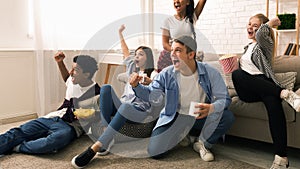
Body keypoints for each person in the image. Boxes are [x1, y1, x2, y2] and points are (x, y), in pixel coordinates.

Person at [130, 35, 235, 162]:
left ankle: (202, 143)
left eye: (178, 50)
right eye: (172, 50)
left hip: (198, 115)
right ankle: (182, 134)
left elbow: (224, 98)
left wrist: (212, 108)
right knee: (155, 152)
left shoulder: (210, 72)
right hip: (175, 116)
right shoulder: (166, 74)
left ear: (191, 54)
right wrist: (136, 86)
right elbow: (151, 95)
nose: (172, 54)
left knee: (227, 116)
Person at [71, 24, 158, 168]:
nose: (136, 56)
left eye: (141, 54)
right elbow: (125, 50)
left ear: (148, 58)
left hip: (139, 111)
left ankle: (97, 146)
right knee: (105, 88)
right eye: (135, 54)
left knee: (126, 106)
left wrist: (151, 82)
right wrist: (120, 33)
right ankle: (107, 131)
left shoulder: (153, 74)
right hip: (122, 105)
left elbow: (158, 93)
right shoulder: (131, 68)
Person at [232, 13, 300, 169]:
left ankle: (281, 158)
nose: (250, 27)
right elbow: (241, 74)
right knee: (237, 74)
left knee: (273, 104)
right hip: (248, 91)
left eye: (255, 25)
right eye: (249, 24)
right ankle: (284, 93)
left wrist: (270, 23)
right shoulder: (247, 48)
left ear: (264, 29)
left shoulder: (265, 44)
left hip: (265, 85)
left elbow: (262, 33)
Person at [0, 52, 100, 156]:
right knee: (18, 132)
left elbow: (97, 118)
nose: (71, 72)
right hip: (53, 117)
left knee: (56, 140)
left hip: (70, 126)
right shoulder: (74, 80)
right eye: (72, 68)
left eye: (76, 70)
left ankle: (18, 147)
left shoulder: (97, 93)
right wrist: (60, 62)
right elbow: (67, 79)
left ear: (87, 74)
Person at [157, 0, 207, 72]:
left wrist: (183, 54)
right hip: (170, 58)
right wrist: (177, 52)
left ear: (188, 2)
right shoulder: (168, 21)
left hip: (186, 58)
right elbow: (165, 44)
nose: (176, 1)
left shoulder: (192, 18)